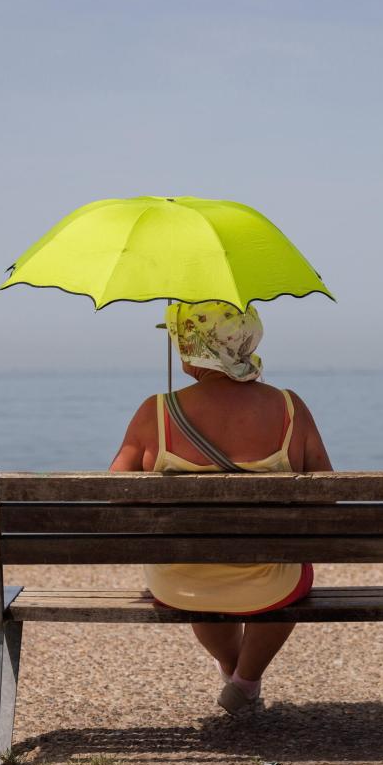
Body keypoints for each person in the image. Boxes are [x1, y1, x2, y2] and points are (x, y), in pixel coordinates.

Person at [109, 300, 333, 714]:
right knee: (290, 573)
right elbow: (326, 491)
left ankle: (236, 674)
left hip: (181, 580)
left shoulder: (154, 411)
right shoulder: (288, 407)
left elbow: (115, 493)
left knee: (198, 563)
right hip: (272, 582)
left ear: (192, 346)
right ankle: (245, 679)